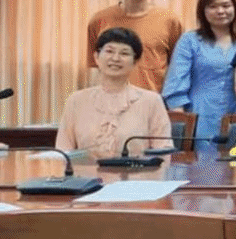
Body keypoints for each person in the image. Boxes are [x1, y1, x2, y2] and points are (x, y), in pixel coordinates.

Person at [56, 27, 173, 158]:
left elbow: (163, 152)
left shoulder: (152, 101)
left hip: (136, 171)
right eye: (109, 51)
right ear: (96, 57)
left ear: (135, 61)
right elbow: (63, 152)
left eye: (124, 53)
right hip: (84, 171)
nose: (116, 58)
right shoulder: (76, 101)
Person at [85, 0, 183, 93]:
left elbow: (178, 69)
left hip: (154, 100)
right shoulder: (99, 20)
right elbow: (94, 67)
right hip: (110, 99)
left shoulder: (170, 20)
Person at [161, 0, 236, 148]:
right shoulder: (189, 41)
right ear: (202, 11)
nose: (221, 11)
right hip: (199, 120)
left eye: (226, 5)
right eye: (213, 6)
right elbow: (175, 86)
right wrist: (182, 131)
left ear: (235, 8)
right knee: (201, 163)